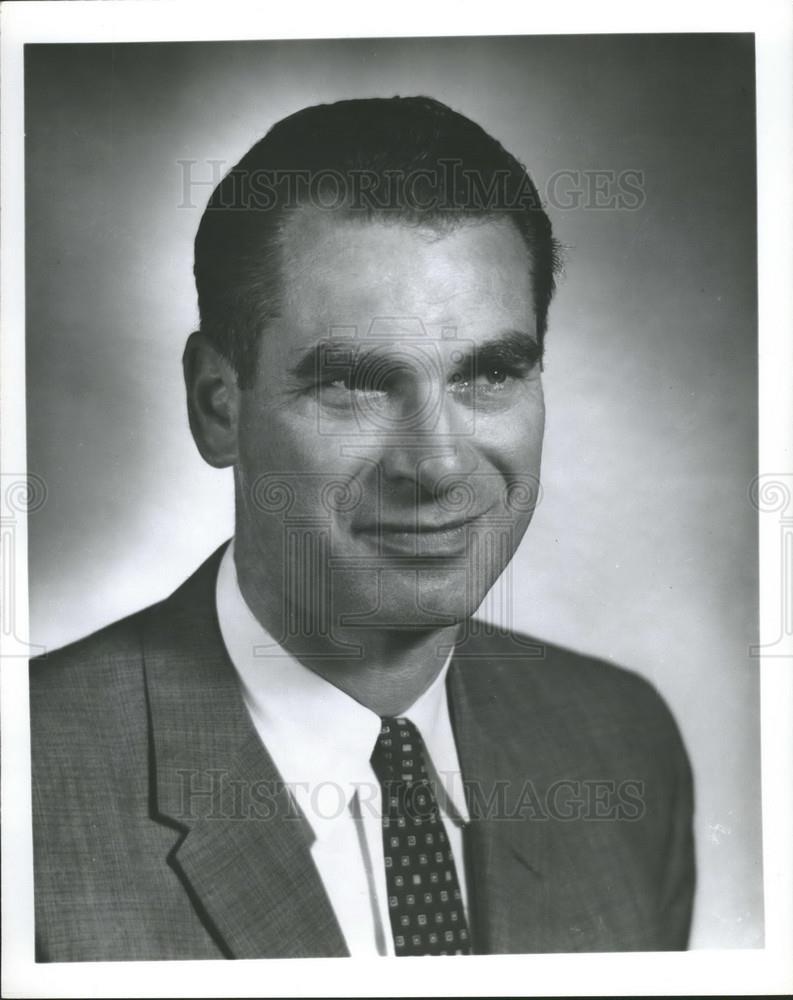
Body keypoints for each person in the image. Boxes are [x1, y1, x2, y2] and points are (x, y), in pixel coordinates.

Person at [29, 96, 695, 961]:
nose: (438, 464)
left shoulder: (620, 741)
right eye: (354, 384)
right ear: (216, 405)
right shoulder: (30, 785)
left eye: (489, 373)